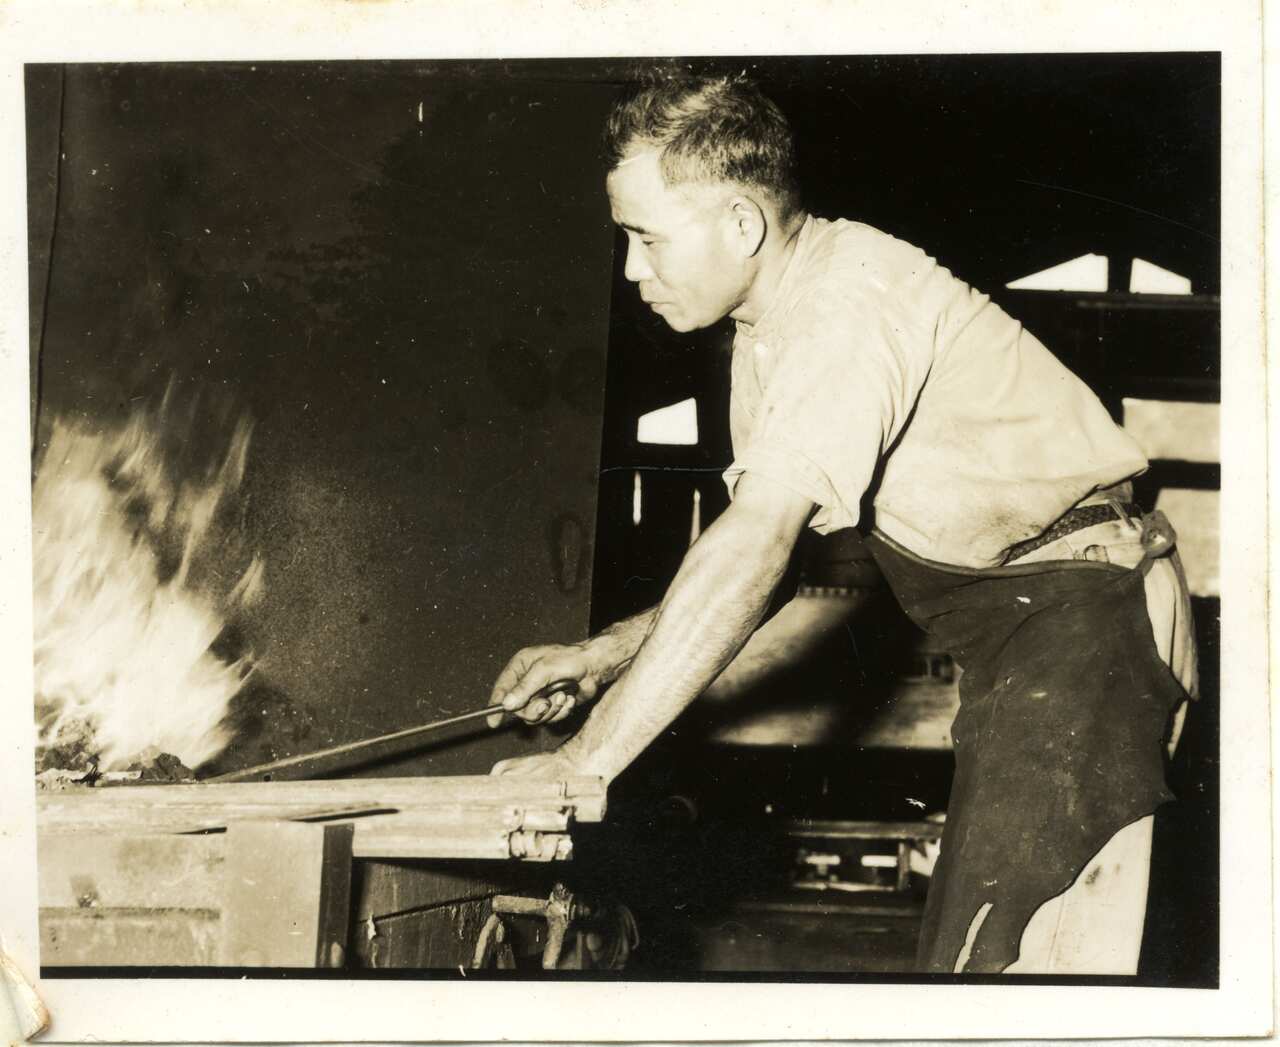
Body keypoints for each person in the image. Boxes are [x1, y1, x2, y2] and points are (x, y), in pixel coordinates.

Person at [487, 74, 1197, 975]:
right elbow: (771, 565)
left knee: (1012, 973)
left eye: (646, 238)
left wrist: (585, 762)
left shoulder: (846, 305)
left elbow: (757, 542)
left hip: (1087, 617)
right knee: (971, 963)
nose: (632, 269)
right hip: (1031, 627)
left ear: (741, 225)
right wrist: (601, 657)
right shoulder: (767, 328)